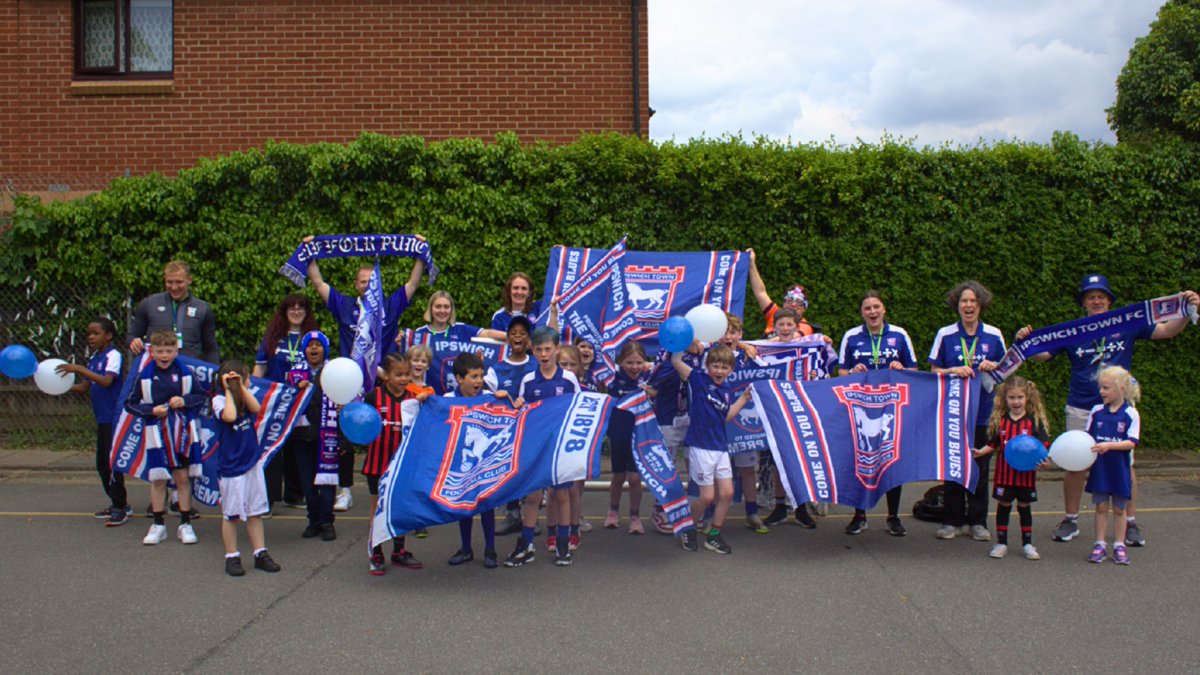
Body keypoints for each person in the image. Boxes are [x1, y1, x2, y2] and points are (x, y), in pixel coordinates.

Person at [1017, 275, 1199, 547]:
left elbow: (1167, 330)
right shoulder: (1073, 331)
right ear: (1084, 303)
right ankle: (1070, 519)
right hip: (1080, 407)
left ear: (1109, 300)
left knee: (1126, 465)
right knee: (1075, 464)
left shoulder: (1126, 323)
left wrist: (1186, 310)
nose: (1097, 300)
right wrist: (1027, 341)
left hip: (1117, 410)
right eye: (1091, 297)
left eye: (1101, 296)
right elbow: (1043, 354)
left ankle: (1130, 522)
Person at [306, 237, 427, 511]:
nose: (367, 285)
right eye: (362, 281)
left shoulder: (390, 304)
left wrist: (420, 254)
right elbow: (319, 284)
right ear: (356, 285)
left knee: (392, 434)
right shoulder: (344, 305)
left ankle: (396, 487)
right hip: (350, 382)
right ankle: (345, 490)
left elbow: (413, 283)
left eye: (372, 280)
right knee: (346, 439)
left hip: (386, 380)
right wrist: (311, 254)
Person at [929, 281, 1006, 542]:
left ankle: (977, 521)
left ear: (981, 304)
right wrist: (953, 370)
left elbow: (1003, 372)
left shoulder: (994, 335)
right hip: (952, 413)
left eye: (973, 301)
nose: (969, 305)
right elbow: (934, 372)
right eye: (964, 301)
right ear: (957, 305)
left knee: (979, 467)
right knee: (953, 466)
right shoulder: (946, 334)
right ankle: (952, 521)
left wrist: (992, 365)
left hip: (983, 412)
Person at [837, 291, 918, 536]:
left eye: (876, 307)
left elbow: (914, 369)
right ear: (862, 312)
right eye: (867, 308)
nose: (872, 312)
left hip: (891, 407)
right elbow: (840, 372)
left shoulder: (899, 334)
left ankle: (893, 517)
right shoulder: (851, 336)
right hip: (860, 407)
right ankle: (859, 515)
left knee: (891, 461)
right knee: (860, 461)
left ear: (884, 309)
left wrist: (901, 368)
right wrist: (853, 370)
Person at [505, 327, 580, 568]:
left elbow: (579, 408)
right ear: (533, 351)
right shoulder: (528, 379)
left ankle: (563, 543)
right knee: (533, 495)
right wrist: (518, 404)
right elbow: (522, 410)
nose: (544, 354)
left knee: (561, 494)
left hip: (559, 446)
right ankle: (526, 544)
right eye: (539, 349)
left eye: (548, 349)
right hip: (535, 445)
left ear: (557, 349)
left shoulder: (568, 378)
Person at [124, 329, 207, 546]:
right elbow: (130, 404)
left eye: (168, 351)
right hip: (156, 434)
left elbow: (200, 396)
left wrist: (184, 400)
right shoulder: (144, 375)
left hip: (182, 433)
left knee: (182, 478)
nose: (164, 355)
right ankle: (158, 525)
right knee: (158, 479)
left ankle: (185, 524)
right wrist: (152, 411)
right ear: (151, 352)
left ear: (176, 350)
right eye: (159, 351)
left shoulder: (185, 372)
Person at [672, 344, 753, 554]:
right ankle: (688, 529)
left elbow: (724, 417)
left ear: (731, 370)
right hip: (700, 446)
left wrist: (743, 399)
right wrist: (682, 341)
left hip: (720, 447)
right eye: (716, 366)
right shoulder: (699, 379)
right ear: (708, 366)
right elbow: (675, 362)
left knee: (727, 493)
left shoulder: (726, 390)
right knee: (706, 497)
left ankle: (714, 535)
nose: (719, 371)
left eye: (724, 367)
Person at [212, 359, 282, 577]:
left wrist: (240, 387)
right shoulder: (219, 401)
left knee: (255, 512)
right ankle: (231, 556)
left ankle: (260, 552)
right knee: (231, 515)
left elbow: (256, 407)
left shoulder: (246, 399)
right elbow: (230, 416)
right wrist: (229, 390)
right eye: (246, 379)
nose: (249, 382)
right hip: (232, 468)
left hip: (251, 464)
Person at [58, 317, 129, 526]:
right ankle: (118, 501)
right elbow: (83, 387)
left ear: (108, 336)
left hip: (114, 417)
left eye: (95, 333)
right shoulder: (94, 358)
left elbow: (107, 381)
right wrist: (57, 386)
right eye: (88, 333)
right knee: (101, 464)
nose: (90, 337)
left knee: (112, 463)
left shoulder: (113, 355)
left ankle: (120, 506)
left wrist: (79, 369)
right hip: (102, 418)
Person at [253, 293, 319, 511]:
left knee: (297, 446)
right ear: (284, 312)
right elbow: (260, 368)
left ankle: (295, 494)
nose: (296, 311)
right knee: (272, 446)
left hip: (301, 401)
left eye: (301, 307)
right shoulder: (273, 337)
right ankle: (268, 499)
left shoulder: (313, 337)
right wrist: (254, 394)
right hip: (276, 400)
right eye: (292, 308)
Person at [976, 376, 1050, 561]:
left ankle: (1027, 543)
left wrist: (1045, 462)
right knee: (1004, 505)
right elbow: (993, 444)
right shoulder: (1000, 421)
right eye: (1012, 397)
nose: (1016, 401)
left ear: (1027, 398)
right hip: (1004, 475)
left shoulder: (1034, 422)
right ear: (1005, 399)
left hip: (1025, 475)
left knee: (1024, 506)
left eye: (1020, 397)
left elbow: (1043, 447)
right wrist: (980, 452)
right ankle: (1001, 543)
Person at [364, 353, 425, 575]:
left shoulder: (415, 397)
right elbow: (360, 423)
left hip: (403, 465)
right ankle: (376, 551)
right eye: (398, 374)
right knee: (377, 509)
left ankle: (399, 551)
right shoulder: (374, 397)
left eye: (407, 374)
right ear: (386, 375)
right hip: (377, 463)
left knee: (400, 507)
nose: (403, 378)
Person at [484, 317, 538, 538]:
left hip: (533, 427)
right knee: (509, 471)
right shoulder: (496, 369)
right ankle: (513, 514)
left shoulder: (537, 364)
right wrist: (496, 396)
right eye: (513, 332)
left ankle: (531, 518)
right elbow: (483, 395)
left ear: (528, 339)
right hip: (506, 431)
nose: (518, 335)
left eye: (522, 332)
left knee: (531, 472)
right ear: (507, 338)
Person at [446, 352, 501, 569]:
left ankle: (490, 549)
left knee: (487, 504)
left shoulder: (490, 397)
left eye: (480, 376)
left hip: (485, 461)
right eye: (473, 376)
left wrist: (506, 398)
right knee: (464, 505)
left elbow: (511, 412)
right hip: (460, 462)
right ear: (460, 379)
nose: (479, 381)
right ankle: (466, 548)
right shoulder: (448, 400)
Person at [399, 290, 506, 393]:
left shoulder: (460, 329)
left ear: (451, 310)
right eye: (438, 306)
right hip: (429, 394)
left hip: (460, 395)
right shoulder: (420, 333)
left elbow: (486, 334)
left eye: (446, 307)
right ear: (431, 309)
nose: (442, 311)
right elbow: (408, 360)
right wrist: (401, 343)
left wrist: (511, 337)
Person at [1085, 366, 1141, 565]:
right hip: (1100, 469)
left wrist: (1109, 446)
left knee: (1119, 509)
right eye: (1101, 387)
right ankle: (1099, 544)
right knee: (1100, 506)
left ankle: (1119, 545)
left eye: (1106, 388)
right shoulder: (1096, 412)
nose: (1101, 392)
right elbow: (1087, 439)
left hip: (1119, 470)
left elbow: (1132, 442)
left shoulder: (1131, 414)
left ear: (1121, 390)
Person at [289, 331, 340, 542]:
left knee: (326, 481)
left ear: (325, 349)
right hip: (302, 436)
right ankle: (314, 520)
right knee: (307, 481)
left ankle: (327, 521)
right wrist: (296, 388)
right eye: (310, 345)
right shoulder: (294, 373)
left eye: (319, 345)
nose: (314, 349)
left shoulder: (335, 371)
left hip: (327, 433)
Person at [127, 260, 220, 364]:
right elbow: (132, 335)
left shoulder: (202, 308)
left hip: (188, 370)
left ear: (189, 280)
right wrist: (133, 341)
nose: (174, 287)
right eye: (169, 282)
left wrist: (214, 374)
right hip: (155, 370)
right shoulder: (149, 303)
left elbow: (210, 348)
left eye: (179, 282)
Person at [603, 342, 649, 534]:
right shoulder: (613, 378)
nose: (634, 367)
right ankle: (613, 511)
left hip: (641, 434)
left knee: (635, 477)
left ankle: (635, 516)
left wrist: (650, 390)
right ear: (621, 362)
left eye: (639, 362)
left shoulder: (649, 378)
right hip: (619, 433)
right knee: (619, 475)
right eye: (629, 362)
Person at [746, 248, 820, 338]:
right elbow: (760, 292)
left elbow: (788, 339)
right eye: (790, 300)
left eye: (799, 302)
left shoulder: (805, 326)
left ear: (804, 308)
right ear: (784, 303)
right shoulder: (774, 314)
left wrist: (762, 344)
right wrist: (751, 263)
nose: (793, 304)